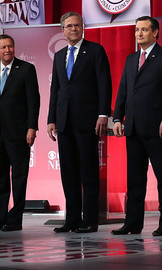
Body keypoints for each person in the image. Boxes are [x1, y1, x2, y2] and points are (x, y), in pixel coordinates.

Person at [111, 16, 162, 237]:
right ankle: (132, 223)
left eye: (144, 30)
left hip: (157, 127)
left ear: (155, 32)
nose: (139, 34)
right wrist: (116, 118)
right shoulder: (131, 59)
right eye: (137, 30)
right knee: (135, 179)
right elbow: (123, 89)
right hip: (132, 127)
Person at [47, 12, 112, 234]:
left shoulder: (95, 51)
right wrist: (51, 120)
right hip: (64, 122)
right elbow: (55, 89)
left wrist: (103, 113)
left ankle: (90, 220)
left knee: (88, 172)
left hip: (87, 121)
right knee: (69, 173)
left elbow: (104, 84)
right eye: (69, 26)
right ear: (63, 30)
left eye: (77, 25)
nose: (74, 29)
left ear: (82, 28)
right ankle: (72, 219)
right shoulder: (59, 56)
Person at [0, 34, 40, 232]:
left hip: (19, 133)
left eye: (10, 46)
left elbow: (33, 101)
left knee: (19, 178)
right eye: (3, 47)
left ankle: (14, 220)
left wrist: (32, 127)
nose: (8, 50)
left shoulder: (26, 69)